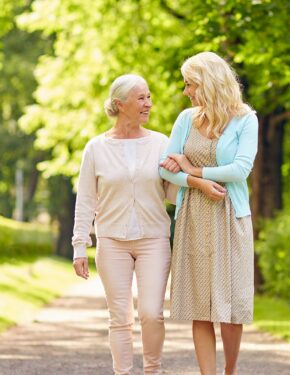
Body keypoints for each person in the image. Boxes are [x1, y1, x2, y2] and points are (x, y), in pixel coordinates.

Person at [159, 51, 258, 375]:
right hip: (194, 217)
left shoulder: (246, 119)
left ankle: (230, 370)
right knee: (201, 306)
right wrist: (195, 182)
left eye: (191, 84)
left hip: (231, 217)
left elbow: (240, 170)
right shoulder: (186, 119)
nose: (186, 91)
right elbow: (166, 168)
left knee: (230, 306)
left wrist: (193, 170)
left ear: (210, 83)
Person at [72, 74, 176, 375]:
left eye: (149, 96)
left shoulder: (160, 142)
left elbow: (171, 195)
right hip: (112, 242)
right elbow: (86, 200)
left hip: (153, 239)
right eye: (141, 98)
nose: (148, 104)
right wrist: (80, 245)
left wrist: (177, 173)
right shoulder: (95, 148)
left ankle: (152, 370)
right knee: (120, 317)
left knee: (151, 313)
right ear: (120, 104)